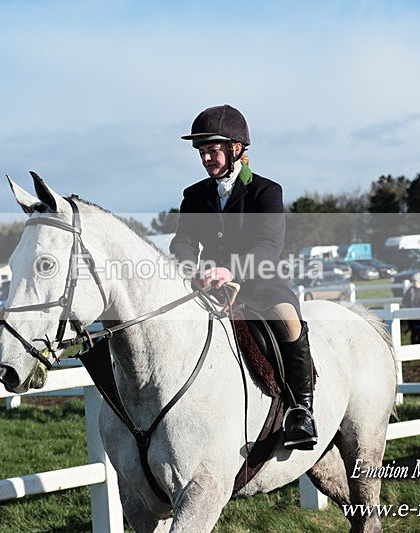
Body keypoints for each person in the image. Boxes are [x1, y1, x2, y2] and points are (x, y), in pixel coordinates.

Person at [170, 104, 317, 450]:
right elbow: (183, 241)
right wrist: (193, 270)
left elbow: (268, 245)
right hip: (210, 287)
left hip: (260, 282)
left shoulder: (266, 191)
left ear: (236, 149)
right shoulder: (195, 196)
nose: (207, 158)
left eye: (213, 150)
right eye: (202, 152)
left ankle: (301, 410)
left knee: (289, 320)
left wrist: (232, 270)